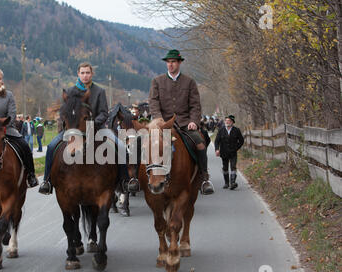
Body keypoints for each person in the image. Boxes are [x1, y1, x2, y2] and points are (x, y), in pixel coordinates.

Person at [39, 62, 140, 195]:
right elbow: (64, 114)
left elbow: (104, 113)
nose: (85, 75)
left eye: (87, 73)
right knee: (51, 146)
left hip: (97, 129)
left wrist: (91, 124)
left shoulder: (99, 91)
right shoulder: (69, 92)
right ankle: (47, 181)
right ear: (78, 74)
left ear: (91, 74)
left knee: (120, 145)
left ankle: (125, 180)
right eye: (82, 73)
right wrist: (66, 127)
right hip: (73, 130)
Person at [149, 49, 214, 195]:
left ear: (179, 63)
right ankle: (135, 178)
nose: (170, 65)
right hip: (163, 124)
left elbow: (195, 105)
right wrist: (159, 120)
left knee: (200, 143)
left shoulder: (189, 82)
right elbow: (153, 103)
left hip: (185, 123)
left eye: (173, 62)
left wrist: (194, 121)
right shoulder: (157, 81)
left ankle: (204, 178)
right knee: (142, 142)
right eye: (168, 62)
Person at [214, 115, 244, 190]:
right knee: (225, 167)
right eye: (226, 121)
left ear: (232, 122)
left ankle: (233, 183)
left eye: (229, 121)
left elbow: (241, 141)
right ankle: (226, 183)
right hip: (224, 152)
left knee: (233, 166)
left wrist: (236, 148)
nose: (227, 122)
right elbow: (217, 141)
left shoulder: (236, 130)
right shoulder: (221, 130)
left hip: (233, 152)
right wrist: (217, 149)